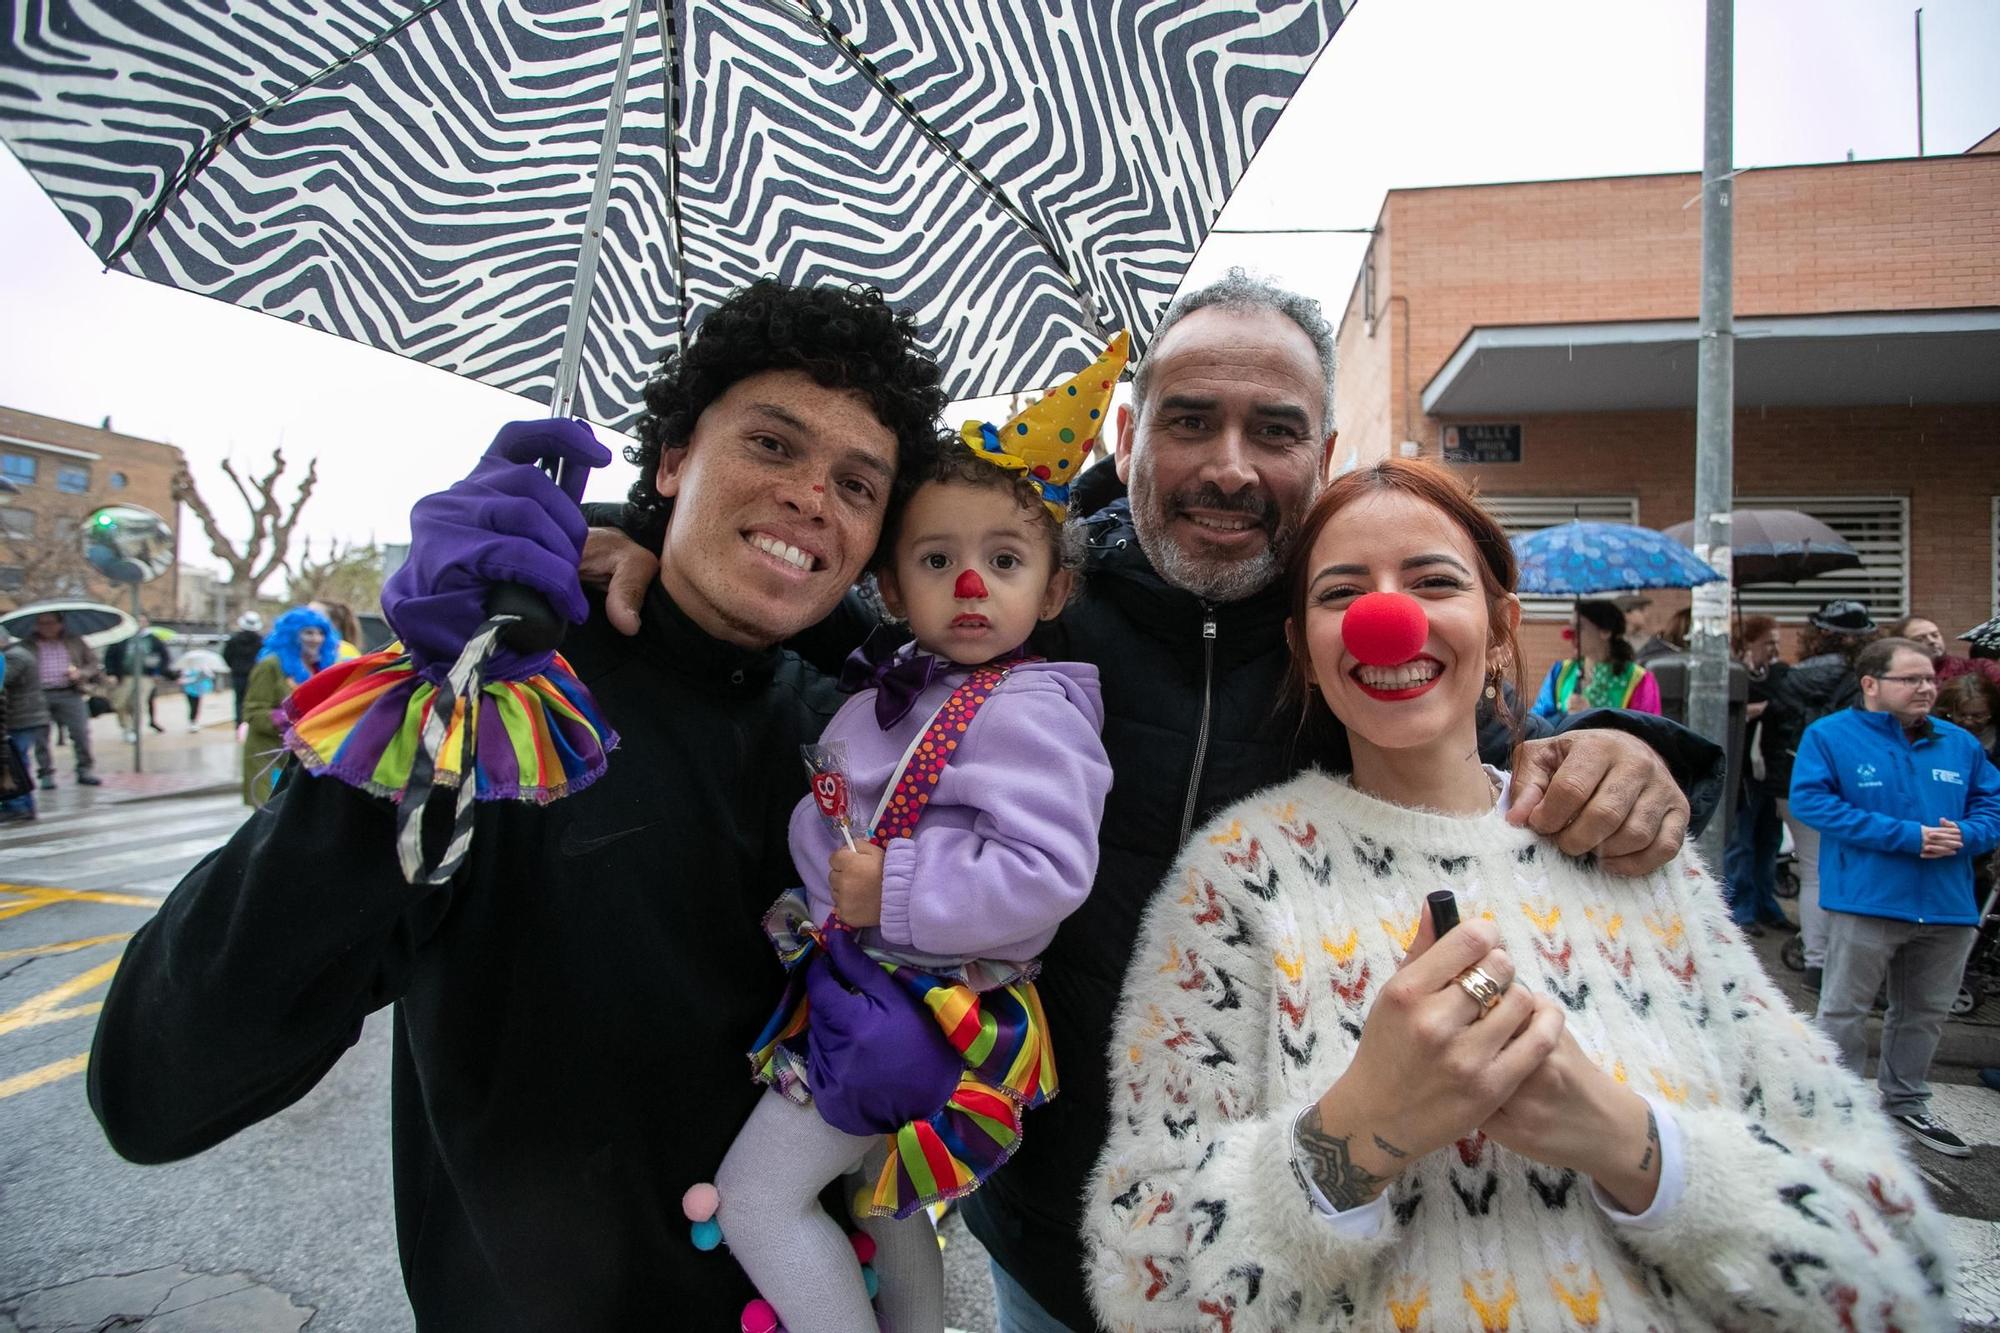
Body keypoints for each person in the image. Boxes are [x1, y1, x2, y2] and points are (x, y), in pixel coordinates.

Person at [578, 271, 1724, 1329]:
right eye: (1188, 420)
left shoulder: (1346, 645)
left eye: (1272, 430)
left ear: (1319, 454)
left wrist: (1616, 748)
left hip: (1301, 1234)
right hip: (1050, 1241)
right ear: (1129, 437)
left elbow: (1495, 765)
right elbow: (814, 604)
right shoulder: (1024, 604)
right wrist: (639, 547)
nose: (1227, 463)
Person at [89, 279, 953, 1330]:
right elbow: (155, 1090)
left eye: (857, 486)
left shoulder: (864, 740)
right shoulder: (501, 714)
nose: (814, 497)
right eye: (772, 446)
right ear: (673, 460)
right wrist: (418, 706)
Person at [1083, 458, 1952, 1331]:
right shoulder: (1238, 876)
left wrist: (1630, 1143)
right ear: (1301, 646)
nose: (1391, 619)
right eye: (1342, 593)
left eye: (1434, 580)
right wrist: (1357, 1132)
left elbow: (1898, 1270)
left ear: (1501, 625)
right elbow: (1143, 1280)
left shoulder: (1639, 856)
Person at [715, 364, 1117, 1330]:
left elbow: (1049, 872)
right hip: (864, 982)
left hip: (920, 1007)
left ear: (1055, 585)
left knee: (755, 1200)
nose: (971, 584)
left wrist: (888, 888)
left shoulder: (1034, 711)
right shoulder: (888, 692)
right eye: (937, 561)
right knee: (880, 1200)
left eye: (1005, 562)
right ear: (889, 585)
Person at [1791, 636, 2000, 1158]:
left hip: (1949, 905)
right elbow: (1812, 803)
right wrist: (1907, 836)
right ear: (1870, 685)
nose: (1927, 688)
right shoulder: (1829, 736)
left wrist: (1969, 835)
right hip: (1866, 900)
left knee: (1924, 1013)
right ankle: (1835, 1105)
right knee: (1843, 1010)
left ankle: (1906, 1102)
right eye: (1911, 679)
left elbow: (1991, 806)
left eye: (1930, 678)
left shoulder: (1959, 743)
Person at [1763, 598, 1875, 991]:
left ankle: (1816, 961)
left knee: (1813, 872)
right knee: (1833, 871)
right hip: (1844, 784)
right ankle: (1831, 965)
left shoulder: (1790, 677)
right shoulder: (1863, 681)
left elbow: (1774, 731)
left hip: (1790, 782)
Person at [1724, 614, 1792, 935]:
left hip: (1773, 770)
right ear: (1747, 643)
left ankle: (1768, 903)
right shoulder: (1732, 673)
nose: (1774, 649)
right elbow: (1731, 711)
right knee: (1743, 842)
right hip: (1744, 772)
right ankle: (1740, 909)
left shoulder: (1779, 674)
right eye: (1768, 643)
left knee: (1770, 840)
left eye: (1777, 642)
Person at [238, 606, 338, 807]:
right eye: (308, 632)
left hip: (305, 756)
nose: (316, 638)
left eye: (320, 633)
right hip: (270, 756)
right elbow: (253, 712)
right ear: (292, 635)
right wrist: (290, 718)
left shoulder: (320, 667)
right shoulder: (270, 665)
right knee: (270, 816)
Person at [1530, 598, 1662, 719]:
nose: (1571, 634)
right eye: (1572, 626)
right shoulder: (1561, 672)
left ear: (1605, 631)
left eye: (1580, 627)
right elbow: (1539, 721)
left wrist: (1593, 716)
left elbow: (1647, 732)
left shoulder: (1639, 680)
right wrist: (1563, 717)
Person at [28, 610, 102, 787]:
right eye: (42, 623)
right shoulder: (29, 644)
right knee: (40, 737)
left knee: (80, 733)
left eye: (50, 622)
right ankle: (46, 773)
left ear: (60, 623)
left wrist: (80, 673)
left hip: (70, 692)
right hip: (39, 694)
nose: (46, 627)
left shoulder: (74, 641)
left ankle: (84, 769)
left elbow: (93, 665)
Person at [1888, 614, 2000, 690]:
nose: (1932, 641)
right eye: (1920, 639)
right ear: (1901, 645)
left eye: (1935, 635)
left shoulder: (1978, 667)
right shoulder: (1893, 677)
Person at [1, 625, 41, 823]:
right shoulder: (16, 653)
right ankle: (23, 806)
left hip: (20, 717)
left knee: (14, 763)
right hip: (22, 716)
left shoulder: (13, 656)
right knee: (16, 761)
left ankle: (19, 806)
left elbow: (3, 680)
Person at [108, 616, 171, 742]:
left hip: (145, 677)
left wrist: (158, 672)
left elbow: (164, 657)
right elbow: (110, 656)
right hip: (125, 676)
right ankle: (126, 726)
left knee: (139, 704)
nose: (139, 624)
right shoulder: (122, 638)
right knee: (120, 703)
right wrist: (112, 673)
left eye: (142, 621)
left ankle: (133, 730)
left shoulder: (153, 640)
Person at [1936, 673, 2000, 767]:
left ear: (1992, 711)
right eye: (1961, 715)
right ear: (1948, 711)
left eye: (1977, 716)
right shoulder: (1935, 734)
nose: (1968, 722)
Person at [222, 611, 264, 725]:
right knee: (254, 700)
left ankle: (239, 724)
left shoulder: (233, 640)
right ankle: (250, 724)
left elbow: (226, 656)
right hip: (256, 676)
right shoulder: (261, 641)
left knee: (239, 701)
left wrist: (235, 666)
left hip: (238, 675)